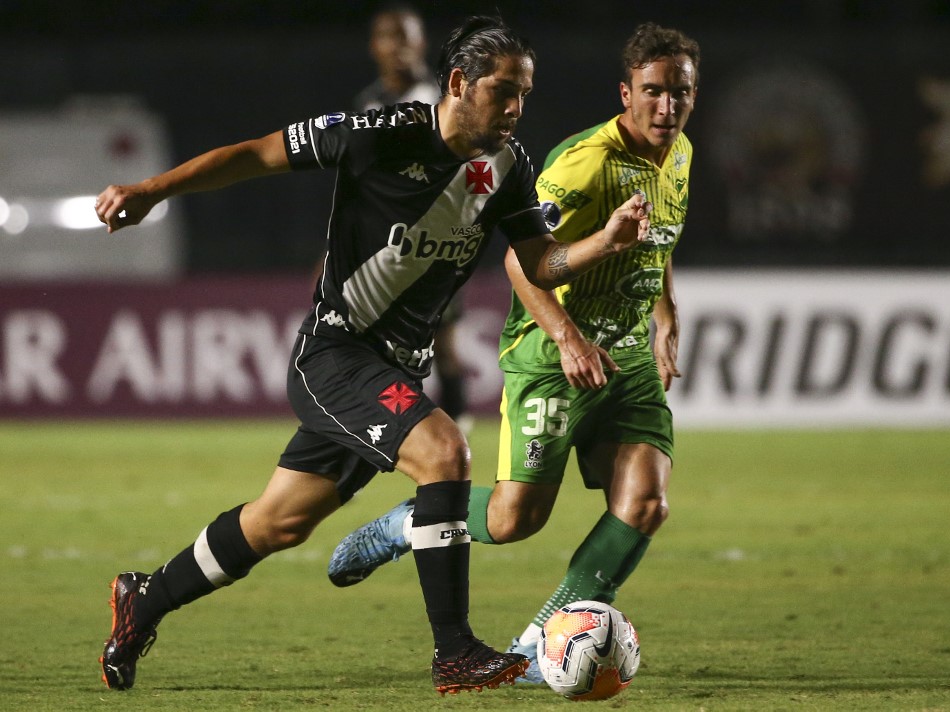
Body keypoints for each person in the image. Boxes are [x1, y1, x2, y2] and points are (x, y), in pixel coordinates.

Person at [93, 14, 653, 696]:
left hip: (395, 366)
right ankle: (455, 651)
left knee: (278, 521)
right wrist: (150, 191)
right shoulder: (379, 134)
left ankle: (144, 598)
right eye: (503, 91)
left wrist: (604, 243)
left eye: (524, 94)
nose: (515, 108)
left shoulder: (508, 166)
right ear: (459, 83)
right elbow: (257, 154)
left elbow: (539, 262)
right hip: (337, 352)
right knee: (445, 451)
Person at [327, 21, 699, 682]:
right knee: (513, 519)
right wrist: (568, 338)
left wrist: (665, 314)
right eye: (654, 91)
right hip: (553, 359)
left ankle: (539, 645)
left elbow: (658, 238)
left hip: (627, 361)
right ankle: (411, 522)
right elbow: (521, 262)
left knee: (646, 503)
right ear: (626, 93)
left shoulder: (681, 153)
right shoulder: (584, 163)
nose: (667, 106)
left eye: (681, 93)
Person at [353, 3, 472, 433]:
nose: (398, 47)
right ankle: (398, 430)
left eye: (406, 36)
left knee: (442, 345)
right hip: (379, 247)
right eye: (390, 37)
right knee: (381, 350)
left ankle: (456, 431)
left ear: (421, 42)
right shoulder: (368, 103)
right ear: (375, 46)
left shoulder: (440, 99)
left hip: (431, 243)